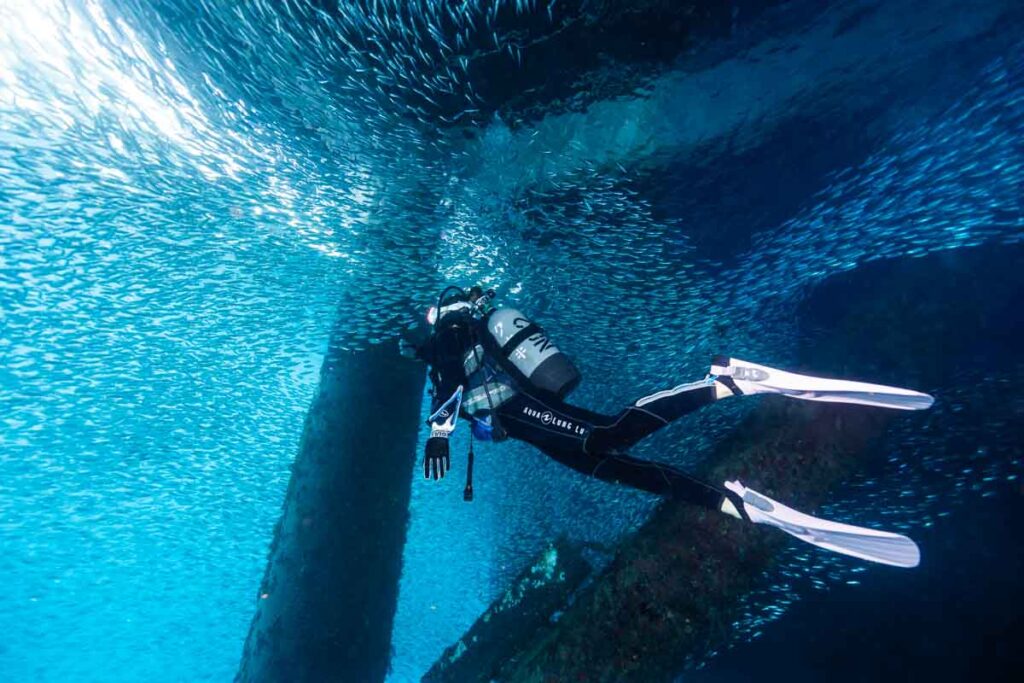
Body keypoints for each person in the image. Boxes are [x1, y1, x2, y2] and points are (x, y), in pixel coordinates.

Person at [404, 285, 934, 568]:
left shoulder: (450, 331)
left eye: (412, 343)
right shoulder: (455, 339)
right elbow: (464, 387)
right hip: (524, 424)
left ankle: (725, 382)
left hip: (524, 412)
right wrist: (467, 425)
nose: (415, 351)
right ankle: (736, 504)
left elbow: (452, 374)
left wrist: (438, 432)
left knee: (608, 436)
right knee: (622, 470)